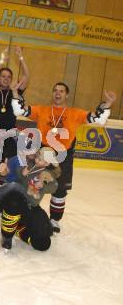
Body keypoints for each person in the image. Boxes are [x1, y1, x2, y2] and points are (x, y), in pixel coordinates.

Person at [11, 82, 116, 232]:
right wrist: (15, 92)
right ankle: (27, 213)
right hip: (43, 154)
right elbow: (20, 110)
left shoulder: (76, 113)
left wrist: (108, 103)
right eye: (55, 90)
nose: (57, 93)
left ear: (66, 94)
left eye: (61, 91)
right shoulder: (41, 110)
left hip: (63, 157)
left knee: (60, 190)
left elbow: (98, 119)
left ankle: (55, 220)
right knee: (32, 184)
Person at [0, 46, 29, 160]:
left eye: (9, 77)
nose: (6, 79)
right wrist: (1, 61)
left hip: (11, 133)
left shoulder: (15, 90)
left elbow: (26, 76)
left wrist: (21, 57)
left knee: (10, 164)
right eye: (3, 76)